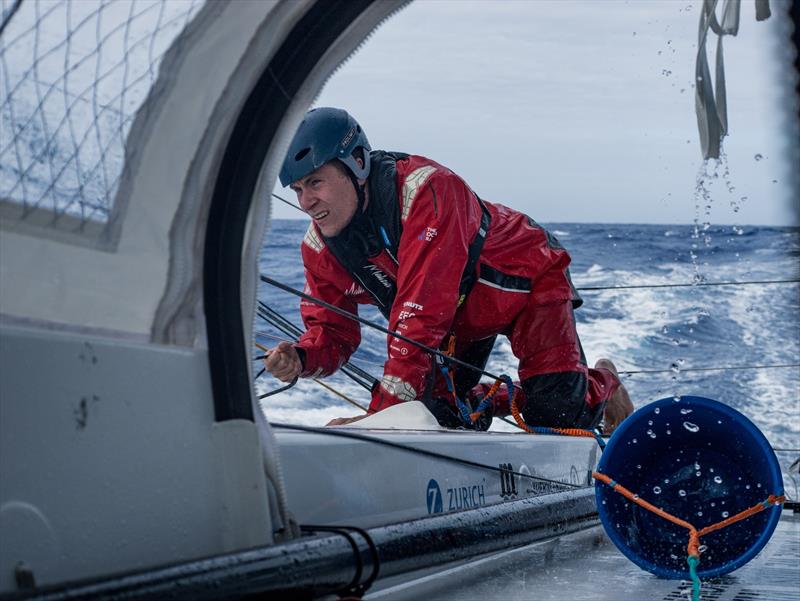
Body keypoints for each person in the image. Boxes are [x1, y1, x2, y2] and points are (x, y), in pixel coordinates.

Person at [264, 107, 634, 433]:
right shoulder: (320, 247)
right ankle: (485, 400)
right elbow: (332, 332)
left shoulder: (429, 190)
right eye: (297, 189)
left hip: (529, 279)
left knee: (557, 417)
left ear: (357, 163)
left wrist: (379, 421)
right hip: (456, 317)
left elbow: (420, 317)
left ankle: (604, 384)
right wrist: (302, 357)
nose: (306, 202)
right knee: (439, 418)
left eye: (315, 182)